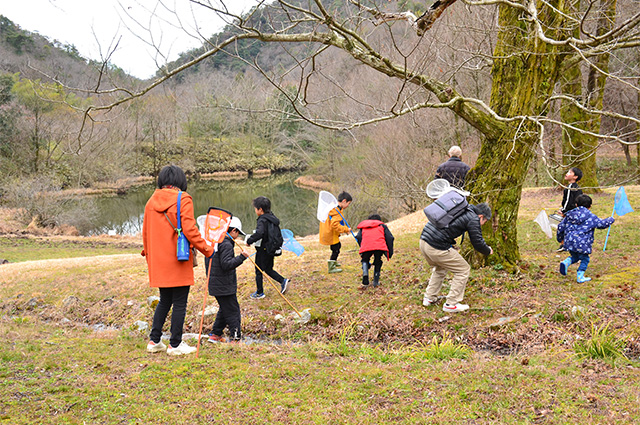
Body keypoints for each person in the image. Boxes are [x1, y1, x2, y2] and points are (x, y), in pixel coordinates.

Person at [142, 165, 214, 356]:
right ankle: (175, 344)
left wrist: (149, 256)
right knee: (180, 302)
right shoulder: (183, 198)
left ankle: (154, 341)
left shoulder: (151, 201)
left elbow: (145, 234)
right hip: (178, 258)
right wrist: (207, 250)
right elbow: (191, 230)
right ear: (180, 180)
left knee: (164, 300)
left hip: (158, 260)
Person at [420, 202, 493, 312]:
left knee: (441, 268)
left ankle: (429, 297)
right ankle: (451, 304)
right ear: (481, 216)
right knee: (463, 269)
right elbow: (477, 242)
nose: (483, 224)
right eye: (485, 221)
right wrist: (488, 250)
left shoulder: (463, 209)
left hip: (424, 241)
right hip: (436, 246)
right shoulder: (473, 218)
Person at [206, 216, 249, 343]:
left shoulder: (215, 241)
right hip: (224, 284)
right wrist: (242, 257)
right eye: (237, 233)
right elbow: (226, 264)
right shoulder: (226, 243)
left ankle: (215, 334)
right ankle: (235, 338)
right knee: (233, 310)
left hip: (216, 283)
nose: (237, 236)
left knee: (225, 308)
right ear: (233, 230)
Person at [557, 194, 614, 283]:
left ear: (576, 204)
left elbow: (560, 226)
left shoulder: (569, 215)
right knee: (585, 259)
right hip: (582, 243)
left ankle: (566, 262)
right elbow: (601, 224)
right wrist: (610, 220)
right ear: (590, 206)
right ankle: (580, 276)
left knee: (575, 256)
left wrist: (560, 239)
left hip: (570, 241)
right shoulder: (591, 217)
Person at [245, 196, 289, 299]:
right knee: (268, 269)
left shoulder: (262, 219)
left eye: (255, 208)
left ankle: (259, 293)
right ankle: (283, 281)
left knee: (258, 270)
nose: (255, 210)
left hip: (263, 249)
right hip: (271, 248)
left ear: (260, 209)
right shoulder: (272, 217)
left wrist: (249, 241)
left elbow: (260, 233)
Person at [355, 214, 394, 287]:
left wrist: (362, 246)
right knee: (378, 260)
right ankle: (376, 281)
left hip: (366, 245)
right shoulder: (382, 226)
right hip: (379, 246)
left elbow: (359, 237)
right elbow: (390, 238)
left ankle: (365, 274)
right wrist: (390, 251)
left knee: (365, 259)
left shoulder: (364, 227)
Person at [319, 191, 353, 273]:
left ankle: (333, 262)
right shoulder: (335, 211)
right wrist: (346, 229)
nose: (348, 206)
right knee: (336, 248)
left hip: (329, 232)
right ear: (344, 201)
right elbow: (335, 225)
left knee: (336, 247)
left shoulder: (334, 207)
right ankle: (331, 267)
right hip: (330, 233)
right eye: (348, 203)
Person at [555, 167, 583, 252]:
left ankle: (564, 244)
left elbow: (568, 201)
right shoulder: (575, 187)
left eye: (570, 172)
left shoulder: (571, 187)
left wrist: (564, 211)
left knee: (563, 228)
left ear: (575, 177)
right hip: (575, 212)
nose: (567, 174)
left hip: (571, 212)